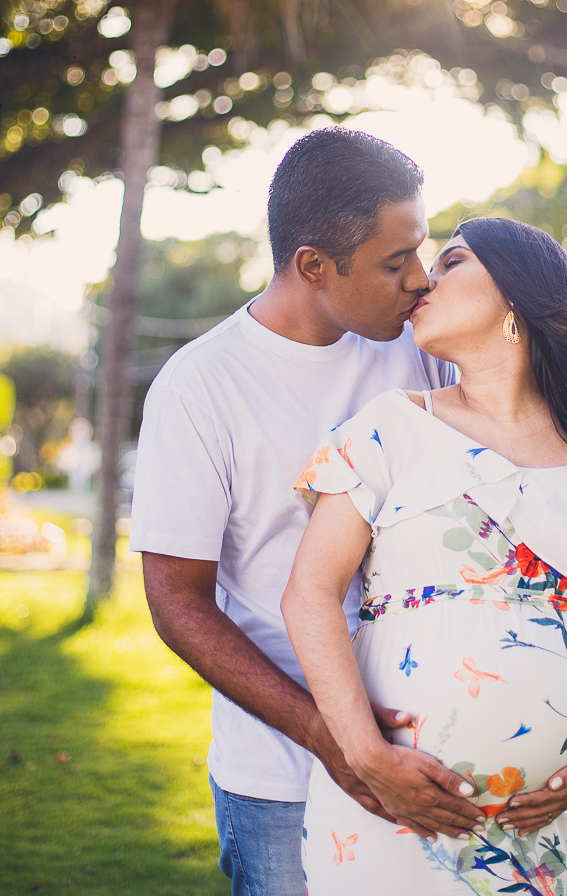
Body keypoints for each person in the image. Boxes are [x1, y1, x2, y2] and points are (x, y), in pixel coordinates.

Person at [283, 216, 567, 895]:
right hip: (391, 810)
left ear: (517, 289)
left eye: (450, 262)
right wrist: (364, 756)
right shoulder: (390, 426)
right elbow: (308, 593)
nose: (421, 281)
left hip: (542, 826)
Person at [129, 128, 490, 896]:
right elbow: (178, 604)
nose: (420, 280)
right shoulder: (200, 387)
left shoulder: (421, 349)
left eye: (422, 251)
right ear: (314, 266)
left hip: (441, 752)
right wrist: (337, 742)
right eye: (395, 262)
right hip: (283, 779)